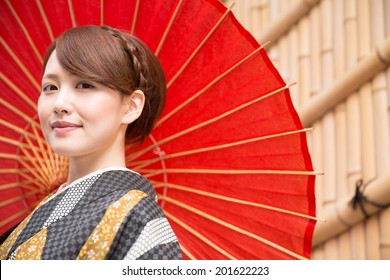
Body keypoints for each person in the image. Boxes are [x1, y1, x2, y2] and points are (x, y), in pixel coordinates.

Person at [0, 25, 182, 260]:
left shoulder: (138, 218)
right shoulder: (46, 209)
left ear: (131, 106)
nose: (59, 104)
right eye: (50, 87)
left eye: (85, 85)